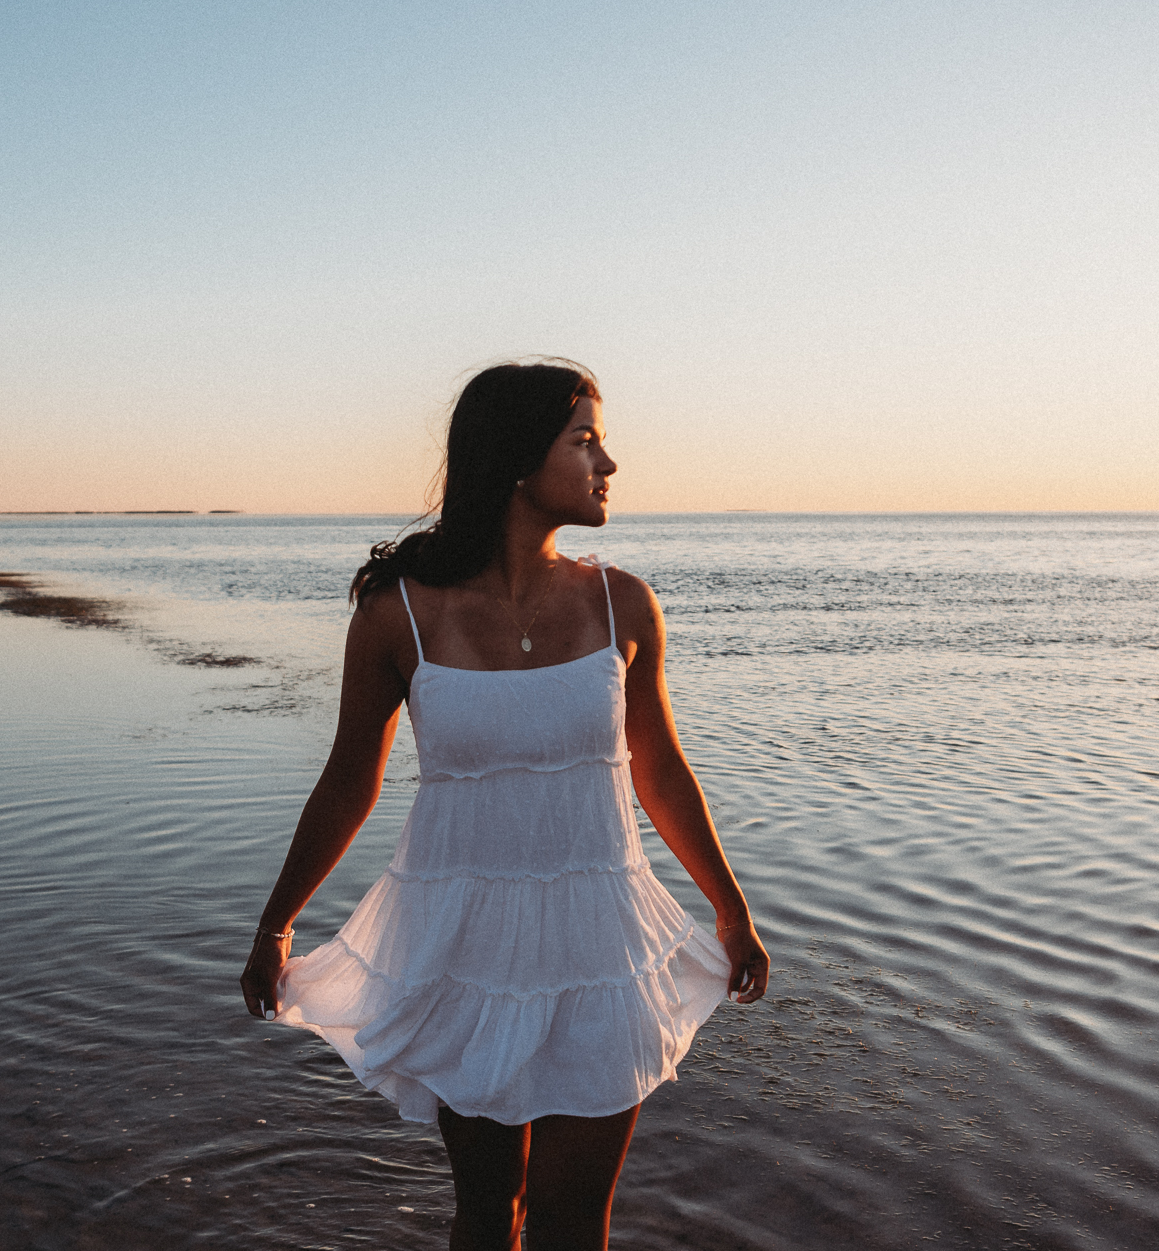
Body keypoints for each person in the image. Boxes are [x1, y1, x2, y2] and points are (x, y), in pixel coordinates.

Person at [241, 360, 769, 1250]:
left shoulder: (623, 605)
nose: (608, 463)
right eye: (585, 440)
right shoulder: (400, 613)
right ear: (521, 461)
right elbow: (348, 779)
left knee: (574, 1219)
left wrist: (731, 907)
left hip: (599, 942)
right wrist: (276, 922)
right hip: (466, 949)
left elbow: (661, 771)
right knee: (492, 1212)